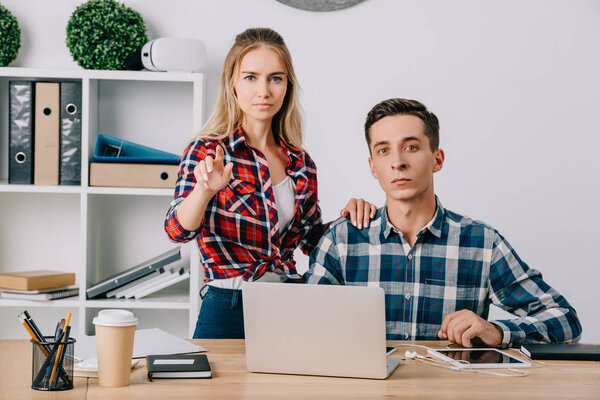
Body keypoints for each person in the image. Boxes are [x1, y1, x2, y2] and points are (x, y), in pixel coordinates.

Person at [304, 98, 582, 348]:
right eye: (384, 150)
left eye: (411, 147)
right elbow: (300, 324)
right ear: (372, 166)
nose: (398, 162)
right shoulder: (342, 240)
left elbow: (565, 320)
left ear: (437, 159)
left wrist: (497, 331)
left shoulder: (481, 243)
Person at [164, 28, 375, 339]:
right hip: (229, 303)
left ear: (287, 86)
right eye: (251, 77)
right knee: (217, 390)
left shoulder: (301, 162)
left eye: (275, 78)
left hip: (289, 302)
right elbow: (176, 230)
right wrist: (204, 191)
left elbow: (312, 240)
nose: (264, 90)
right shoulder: (208, 150)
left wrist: (348, 219)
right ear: (232, 83)